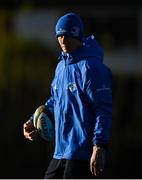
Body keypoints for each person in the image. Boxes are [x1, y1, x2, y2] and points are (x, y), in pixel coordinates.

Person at [23, 12, 112, 179]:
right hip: (59, 153)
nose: (62, 40)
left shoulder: (92, 68)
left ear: (77, 34)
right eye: (59, 36)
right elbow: (55, 101)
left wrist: (99, 146)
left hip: (82, 155)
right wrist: (32, 120)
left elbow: (103, 111)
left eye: (67, 35)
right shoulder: (61, 67)